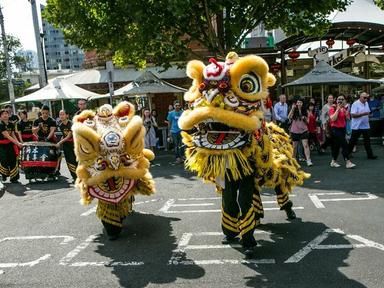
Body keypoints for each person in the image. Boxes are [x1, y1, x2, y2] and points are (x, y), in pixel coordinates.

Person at [329, 95, 356, 169]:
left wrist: (346, 111)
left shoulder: (344, 109)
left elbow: (347, 118)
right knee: (344, 144)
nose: (340, 100)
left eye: (342, 99)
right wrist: (337, 109)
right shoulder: (333, 108)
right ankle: (348, 162)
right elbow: (333, 119)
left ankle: (333, 161)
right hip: (335, 129)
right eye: (339, 99)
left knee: (337, 146)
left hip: (342, 129)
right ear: (336, 100)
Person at [348, 92, 377, 160]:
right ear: (360, 97)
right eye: (364, 98)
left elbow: (368, 112)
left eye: (367, 98)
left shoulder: (366, 103)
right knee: (353, 141)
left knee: (367, 141)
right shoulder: (355, 104)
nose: (366, 99)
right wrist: (363, 114)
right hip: (357, 126)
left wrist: (369, 114)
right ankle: (347, 153)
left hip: (365, 125)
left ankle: (370, 155)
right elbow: (353, 115)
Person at [288, 99, 313, 166]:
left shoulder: (306, 111)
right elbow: (289, 117)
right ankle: (293, 160)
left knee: (305, 145)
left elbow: (308, 121)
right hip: (295, 131)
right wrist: (292, 109)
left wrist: (304, 118)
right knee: (294, 147)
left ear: (302, 103)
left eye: (300, 102)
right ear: (296, 103)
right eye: (298, 102)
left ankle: (308, 160)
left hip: (304, 131)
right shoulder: (294, 110)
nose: (299, 104)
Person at [0, 109, 22, 183]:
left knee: (13, 160)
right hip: (1, 145)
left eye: (6, 113)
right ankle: (4, 176)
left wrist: (17, 142)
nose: (5, 115)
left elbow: (12, 135)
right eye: (3, 114)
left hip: (10, 144)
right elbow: (7, 136)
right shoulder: (0, 124)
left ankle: (14, 178)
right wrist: (17, 144)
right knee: (4, 160)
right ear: (1, 116)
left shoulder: (11, 124)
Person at [55, 110, 77, 181]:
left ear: (67, 115)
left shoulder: (71, 124)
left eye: (63, 114)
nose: (61, 116)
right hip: (66, 145)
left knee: (75, 160)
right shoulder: (61, 125)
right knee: (69, 161)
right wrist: (60, 142)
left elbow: (68, 136)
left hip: (74, 144)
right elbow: (64, 136)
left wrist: (59, 143)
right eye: (60, 114)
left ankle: (79, 175)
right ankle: (74, 176)